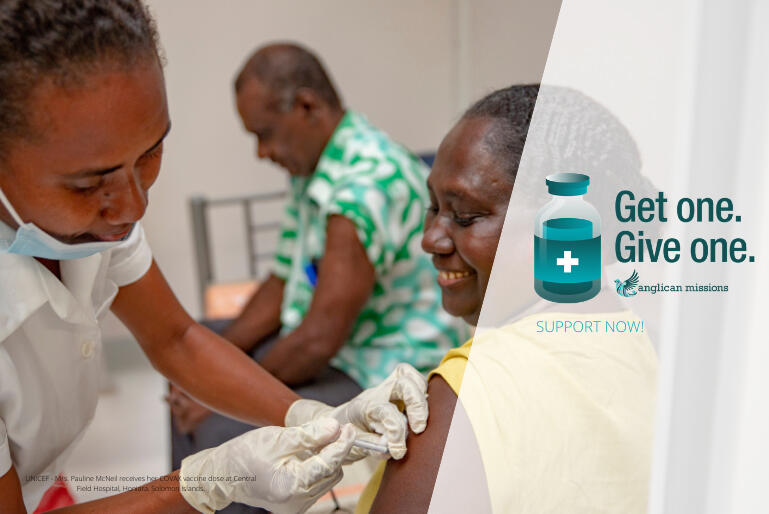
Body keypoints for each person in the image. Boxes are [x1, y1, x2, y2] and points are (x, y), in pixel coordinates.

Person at [0, 2, 430, 513]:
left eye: (151, 154)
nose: (135, 207)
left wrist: (304, 417)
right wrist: (201, 483)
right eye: (88, 183)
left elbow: (177, 338)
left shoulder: (355, 183)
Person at [356, 85, 659, 513]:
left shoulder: (469, 394)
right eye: (434, 207)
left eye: (465, 216)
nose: (430, 239)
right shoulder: (652, 347)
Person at [169, 43, 465, 468]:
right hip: (341, 344)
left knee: (220, 435)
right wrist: (211, 364)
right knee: (192, 359)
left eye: (264, 134)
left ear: (306, 106)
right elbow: (281, 281)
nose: (261, 153)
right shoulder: (317, 166)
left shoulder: (362, 186)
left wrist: (222, 396)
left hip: (384, 366)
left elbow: (318, 338)